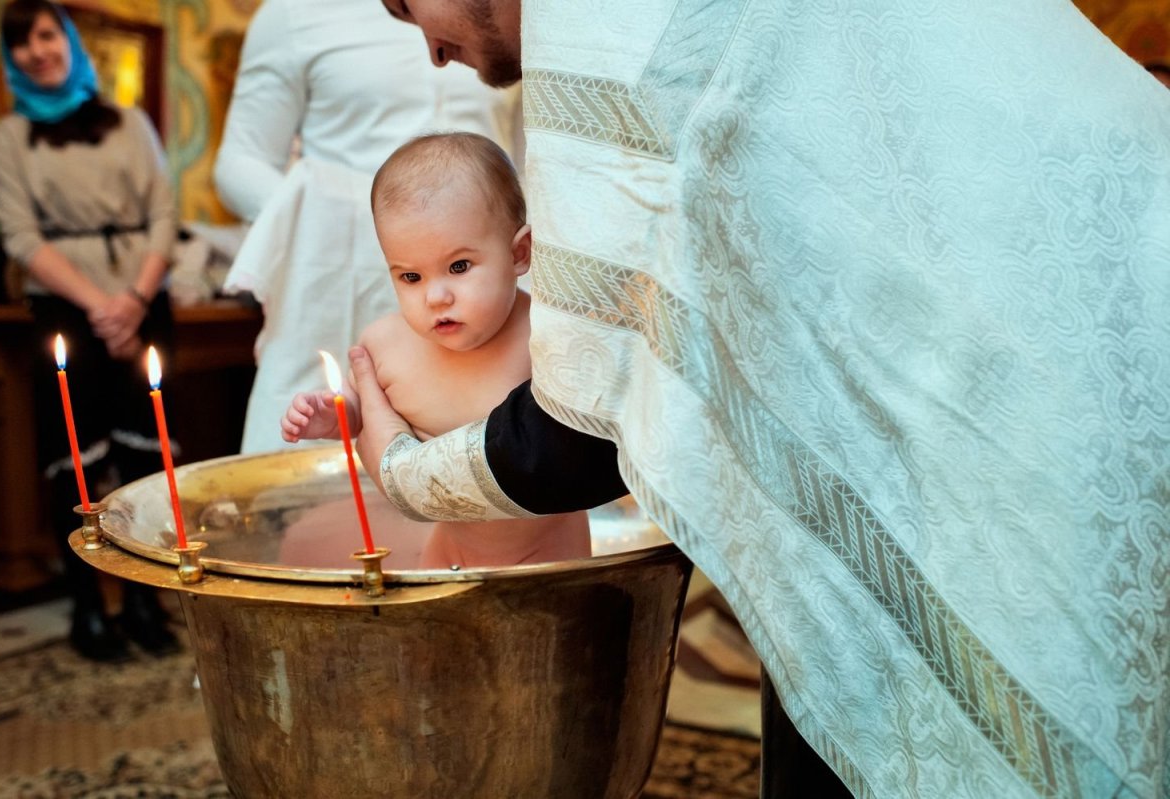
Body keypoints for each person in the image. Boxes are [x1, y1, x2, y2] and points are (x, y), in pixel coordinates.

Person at [351, 1, 1170, 797]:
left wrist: (402, 469)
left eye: (404, 4)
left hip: (1059, 340)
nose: (428, 49)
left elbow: (585, 420)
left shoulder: (590, 19)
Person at [213, 0, 524, 455]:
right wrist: (349, 225)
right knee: (316, 467)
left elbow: (524, 156)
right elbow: (239, 163)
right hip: (334, 275)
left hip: (483, 278)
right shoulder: (291, 13)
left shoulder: (498, 12)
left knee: (489, 441)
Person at [281, 133, 589, 569]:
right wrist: (333, 415)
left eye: (458, 267)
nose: (436, 296)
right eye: (411, 277)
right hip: (446, 550)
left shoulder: (544, 334)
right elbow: (364, 413)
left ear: (519, 253)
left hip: (548, 554)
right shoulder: (387, 347)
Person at [0, 0, 181, 661]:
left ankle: (145, 597)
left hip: (144, 299)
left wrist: (132, 300)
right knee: (77, 458)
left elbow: (164, 213)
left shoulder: (131, 123)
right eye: (20, 43)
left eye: (46, 34)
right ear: (10, 58)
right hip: (68, 308)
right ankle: (86, 605)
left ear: (67, 41)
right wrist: (101, 305)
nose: (36, 50)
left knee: (146, 455)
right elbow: (19, 235)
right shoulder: (11, 137)